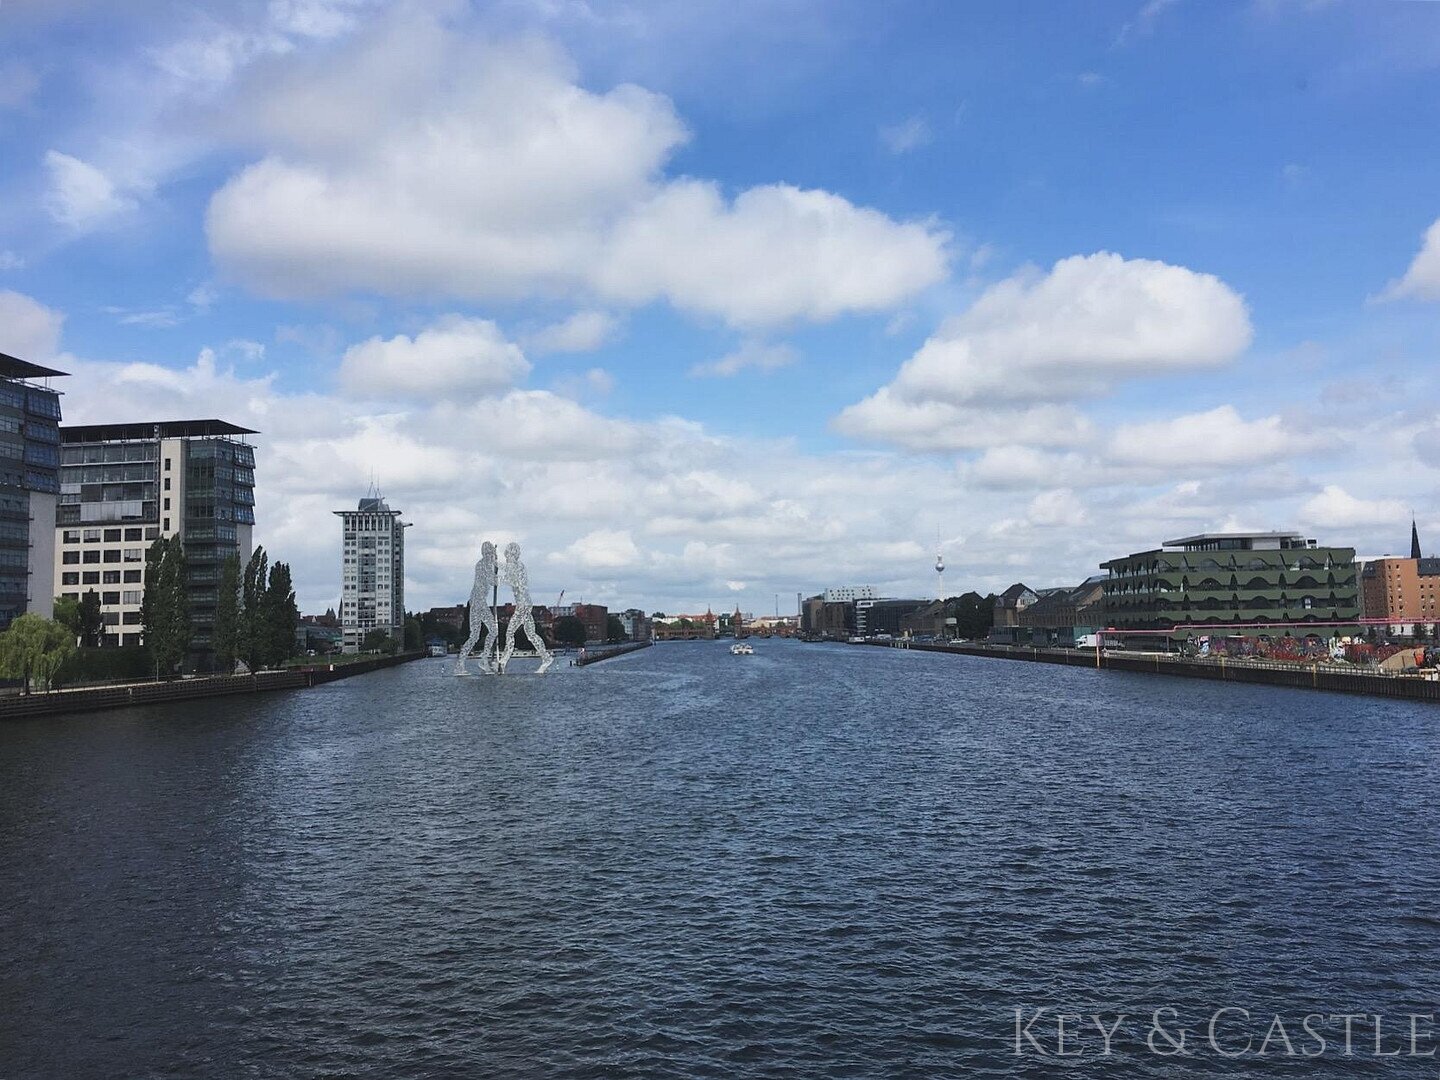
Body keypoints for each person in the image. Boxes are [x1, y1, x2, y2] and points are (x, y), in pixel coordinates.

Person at [499, 542, 554, 674]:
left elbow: (513, 580)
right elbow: (505, 573)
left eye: (508, 554)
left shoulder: (518, 566)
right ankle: (546, 658)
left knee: (510, 633)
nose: (506, 556)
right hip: (524, 603)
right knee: (531, 634)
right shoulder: (514, 566)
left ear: (513, 554)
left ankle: (503, 661)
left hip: (523, 604)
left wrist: (497, 576)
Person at [454, 542, 499, 675]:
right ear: (487, 553)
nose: (492, 556)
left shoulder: (486, 564)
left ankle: (476, 661)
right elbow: (493, 581)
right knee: (486, 632)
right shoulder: (482, 565)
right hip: (478, 602)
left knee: (478, 634)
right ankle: (477, 661)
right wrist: (497, 571)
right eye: (491, 553)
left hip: (478, 601)